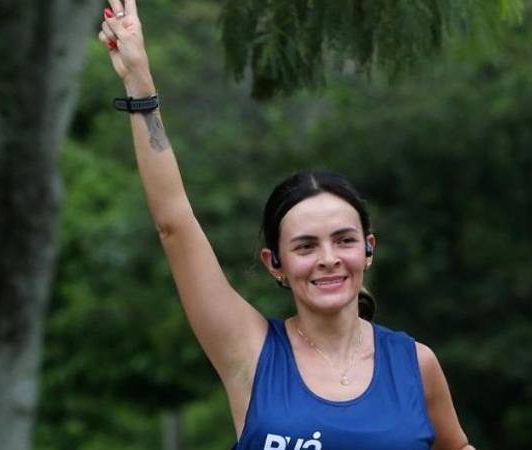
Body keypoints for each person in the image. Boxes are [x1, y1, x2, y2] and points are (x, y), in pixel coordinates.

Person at [95, 1, 474, 448]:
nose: (328, 259)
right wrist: (140, 89)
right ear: (275, 263)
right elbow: (174, 223)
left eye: (344, 240)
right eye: (306, 246)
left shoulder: (415, 364)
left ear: (368, 249)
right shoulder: (251, 353)